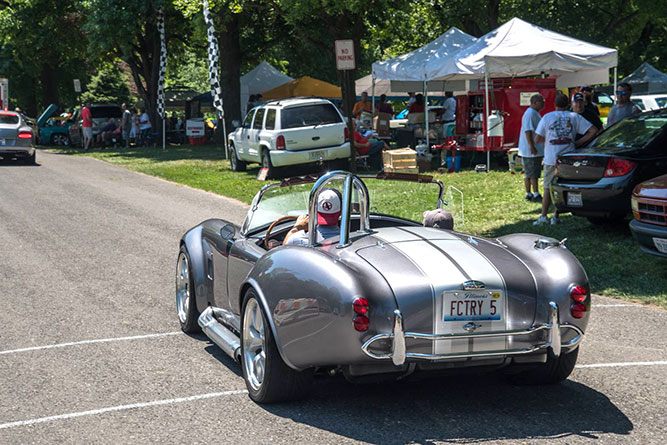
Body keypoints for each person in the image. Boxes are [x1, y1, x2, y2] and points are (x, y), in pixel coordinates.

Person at [533, 94, 597, 225]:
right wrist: (577, 142)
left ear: (554, 104)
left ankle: (543, 216)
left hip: (551, 158)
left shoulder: (547, 117)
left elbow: (537, 139)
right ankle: (556, 216)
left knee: (547, 187)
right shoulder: (574, 117)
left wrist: (549, 142)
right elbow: (593, 130)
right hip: (568, 159)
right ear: (568, 104)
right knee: (562, 187)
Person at [518, 94, 545, 202]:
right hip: (530, 149)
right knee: (533, 172)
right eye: (541, 102)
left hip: (532, 148)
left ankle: (529, 193)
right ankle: (535, 193)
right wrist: (531, 146)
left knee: (530, 171)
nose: (543, 104)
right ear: (534, 102)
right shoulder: (530, 114)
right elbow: (528, 131)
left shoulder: (535, 113)